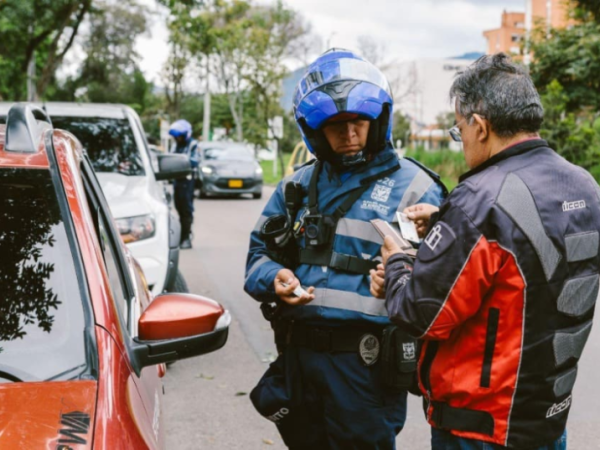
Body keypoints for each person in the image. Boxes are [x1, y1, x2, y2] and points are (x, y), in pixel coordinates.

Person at [371, 53, 600, 449]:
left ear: (480, 126)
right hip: (547, 420)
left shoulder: (478, 201)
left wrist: (398, 263)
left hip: (480, 430)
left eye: (459, 130)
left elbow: (421, 314)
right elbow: (526, 263)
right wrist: (446, 220)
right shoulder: (583, 184)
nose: (461, 142)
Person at [244, 48, 446, 449]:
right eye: (335, 124)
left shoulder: (415, 187)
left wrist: (402, 275)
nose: (348, 133)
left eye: (358, 120)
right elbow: (255, 261)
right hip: (299, 357)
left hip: (366, 367)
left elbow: (446, 285)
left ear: (378, 120)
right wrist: (276, 278)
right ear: (315, 130)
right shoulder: (296, 187)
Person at [168, 119, 199, 249]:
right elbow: (170, 158)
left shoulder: (193, 145)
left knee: (186, 209)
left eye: (179, 136)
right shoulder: (176, 145)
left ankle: (186, 238)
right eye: (176, 136)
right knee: (178, 207)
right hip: (177, 180)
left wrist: (180, 160)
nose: (177, 139)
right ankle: (183, 235)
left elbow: (194, 161)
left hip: (188, 181)